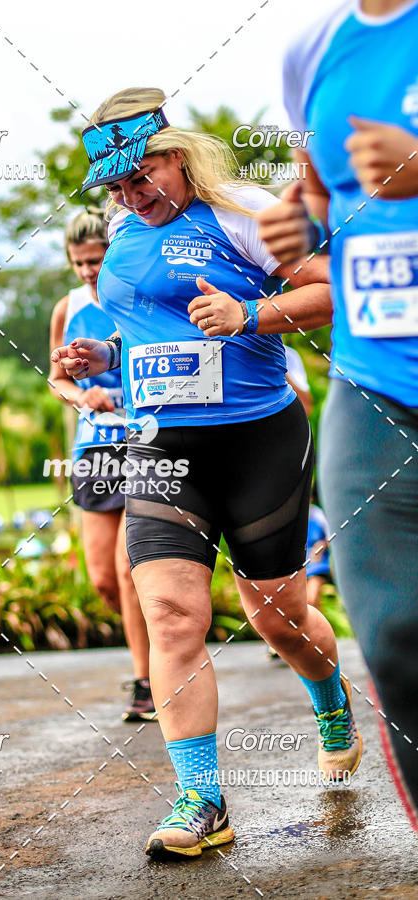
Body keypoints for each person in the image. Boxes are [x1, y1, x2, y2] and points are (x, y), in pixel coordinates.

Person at [51, 87, 362, 859]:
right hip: (162, 446)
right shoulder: (122, 232)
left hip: (258, 441)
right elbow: (150, 332)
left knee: (278, 618)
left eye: (141, 177)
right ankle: (202, 800)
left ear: (177, 157)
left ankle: (331, 701)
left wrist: (249, 315)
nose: (131, 196)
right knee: (170, 614)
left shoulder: (243, 212)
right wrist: (105, 356)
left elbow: (333, 290)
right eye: (116, 186)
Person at [257, 0, 418, 826]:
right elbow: (321, 206)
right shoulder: (313, 51)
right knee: (393, 635)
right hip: (374, 380)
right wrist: (299, 238)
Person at [48, 209, 153, 721]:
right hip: (93, 449)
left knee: (128, 569)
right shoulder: (67, 307)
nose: (89, 271)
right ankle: (160, 637)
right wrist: (82, 397)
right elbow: (57, 378)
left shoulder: (138, 292)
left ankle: (147, 681)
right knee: (104, 581)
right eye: (79, 262)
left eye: (96, 259)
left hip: (145, 440)